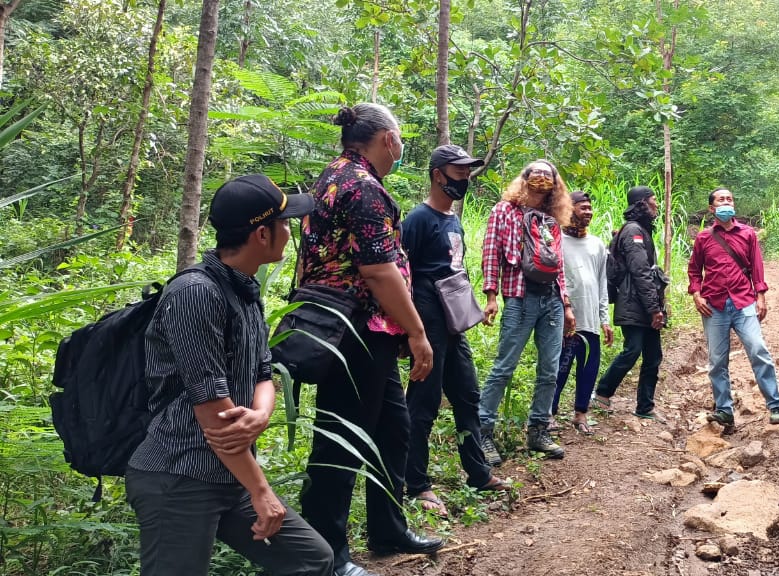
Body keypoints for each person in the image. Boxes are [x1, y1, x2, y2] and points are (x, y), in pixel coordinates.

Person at [126, 174, 332, 575]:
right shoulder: (196, 294)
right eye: (285, 223)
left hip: (227, 472)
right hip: (179, 476)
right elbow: (214, 414)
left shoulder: (244, 290)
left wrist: (261, 414)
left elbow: (262, 372)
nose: (289, 233)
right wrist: (261, 491)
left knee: (311, 559)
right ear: (261, 234)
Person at [297, 104, 442, 576]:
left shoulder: (333, 177)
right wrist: (418, 333)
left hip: (366, 330)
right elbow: (379, 271)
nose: (401, 147)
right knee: (340, 440)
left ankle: (387, 528)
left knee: (392, 430)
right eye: (399, 138)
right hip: (353, 331)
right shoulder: (362, 188)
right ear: (385, 140)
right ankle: (327, 554)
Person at [401, 145, 512, 517]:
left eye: (467, 172)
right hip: (427, 322)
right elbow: (401, 274)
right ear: (437, 174)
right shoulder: (418, 219)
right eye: (458, 171)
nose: (464, 177)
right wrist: (411, 332)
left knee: (467, 395)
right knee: (423, 403)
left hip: (454, 323)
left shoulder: (454, 219)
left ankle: (478, 474)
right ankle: (415, 483)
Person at [477, 160, 576, 463]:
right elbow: (491, 252)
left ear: (556, 184)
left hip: (552, 302)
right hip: (519, 298)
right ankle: (482, 432)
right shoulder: (504, 211)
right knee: (504, 367)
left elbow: (557, 263)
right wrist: (491, 296)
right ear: (524, 178)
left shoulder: (551, 217)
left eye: (548, 174)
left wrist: (567, 305)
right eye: (536, 172)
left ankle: (538, 431)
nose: (542, 177)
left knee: (549, 369)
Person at [688, 188, 779, 433]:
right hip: (714, 305)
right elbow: (694, 270)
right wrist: (697, 295)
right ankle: (725, 410)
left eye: (729, 199)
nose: (726, 203)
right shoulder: (704, 238)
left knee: (758, 349)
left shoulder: (748, 234)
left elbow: (756, 267)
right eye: (721, 200)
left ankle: (775, 404)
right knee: (717, 361)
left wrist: (760, 296)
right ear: (712, 208)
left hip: (743, 301)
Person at [593, 186, 667, 420]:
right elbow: (641, 273)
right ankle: (603, 393)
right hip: (634, 304)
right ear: (642, 203)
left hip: (643, 303)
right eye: (654, 200)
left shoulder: (640, 231)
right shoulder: (634, 232)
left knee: (653, 355)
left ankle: (645, 407)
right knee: (633, 350)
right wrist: (654, 308)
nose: (657, 204)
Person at [551, 191, 614, 434]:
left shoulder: (597, 244)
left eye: (589, 208)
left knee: (588, 369)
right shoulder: (557, 241)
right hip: (566, 318)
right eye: (582, 207)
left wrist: (604, 319)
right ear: (570, 209)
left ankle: (581, 414)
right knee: (560, 368)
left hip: (590, 319)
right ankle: (550, 413)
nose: (587, 212)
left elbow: (601, 283)